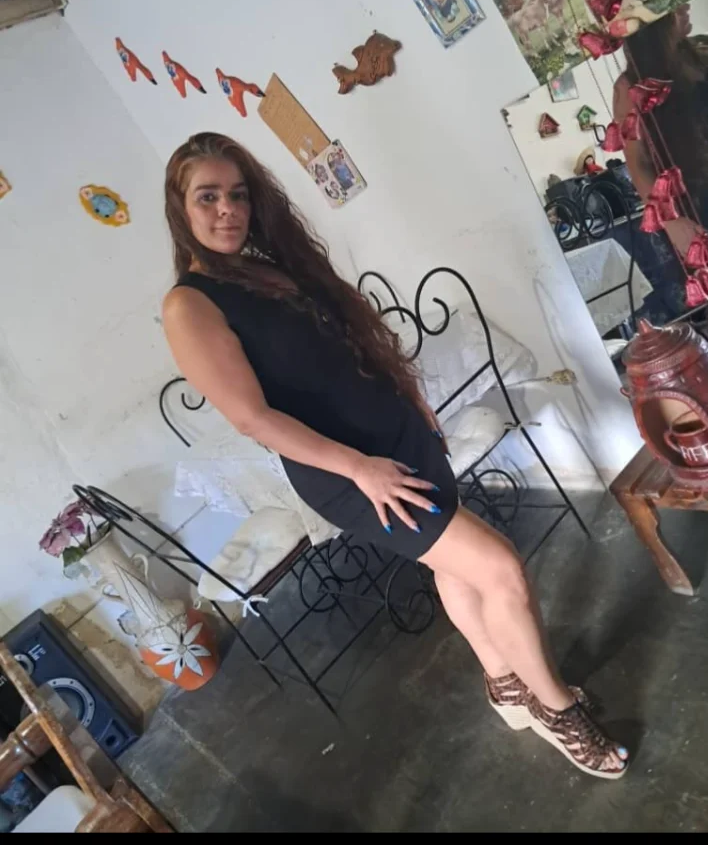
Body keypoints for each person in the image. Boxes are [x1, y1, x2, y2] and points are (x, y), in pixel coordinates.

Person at [162, 132, 628, 779]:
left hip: (397, 434)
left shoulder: (266, 267)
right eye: (207, 197)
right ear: (179, 207)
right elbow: (253, 419)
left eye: (237, 195)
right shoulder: (190, 304)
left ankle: (505, 683)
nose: (227, 211)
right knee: (500, 569)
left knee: (455, 566)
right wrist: (359, 469)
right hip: (350, 472)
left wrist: (410, 397)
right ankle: (557, 709)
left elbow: (343, 345)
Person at [613, 3, 708, 256]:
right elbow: (638, 164)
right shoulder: (630, 87)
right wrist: (671, 223)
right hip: (701, 208)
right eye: (673, 4)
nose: (686, 5)